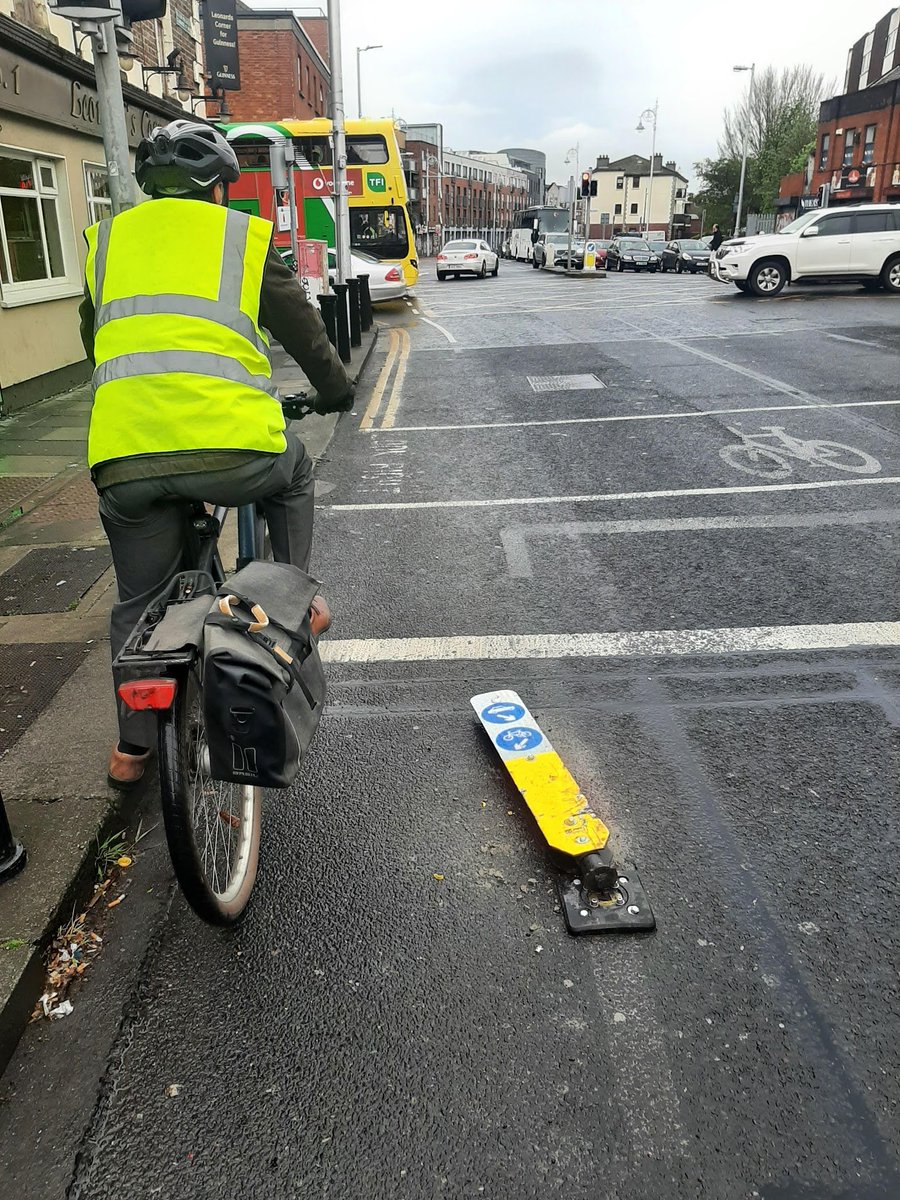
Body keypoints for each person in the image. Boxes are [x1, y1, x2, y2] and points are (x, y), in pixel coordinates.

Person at [78, 120, 354, 789]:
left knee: (137, 603)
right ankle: (294, 605)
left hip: (124, 452)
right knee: (293, 474)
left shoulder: (106, 242)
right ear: (220, 189)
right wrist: (335, 390)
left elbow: (96, 340)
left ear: (147, 187)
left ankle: (132, 751)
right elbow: (304, 330)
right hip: (234, 449)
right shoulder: (239, 239)